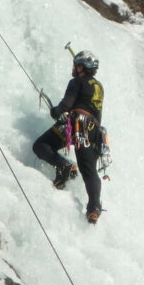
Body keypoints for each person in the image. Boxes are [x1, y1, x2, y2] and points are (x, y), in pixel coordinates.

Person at [33, 50, 104, 224]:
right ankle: (94, 208)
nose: (73, 68)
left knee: (41, 145)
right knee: (89, 171)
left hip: (77, 124)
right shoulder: (99, 86)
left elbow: (67, 103)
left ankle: (64, 166)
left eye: (76, 65)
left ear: (82, 67)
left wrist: (56, 111)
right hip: (94, 131)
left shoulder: (77, 82)